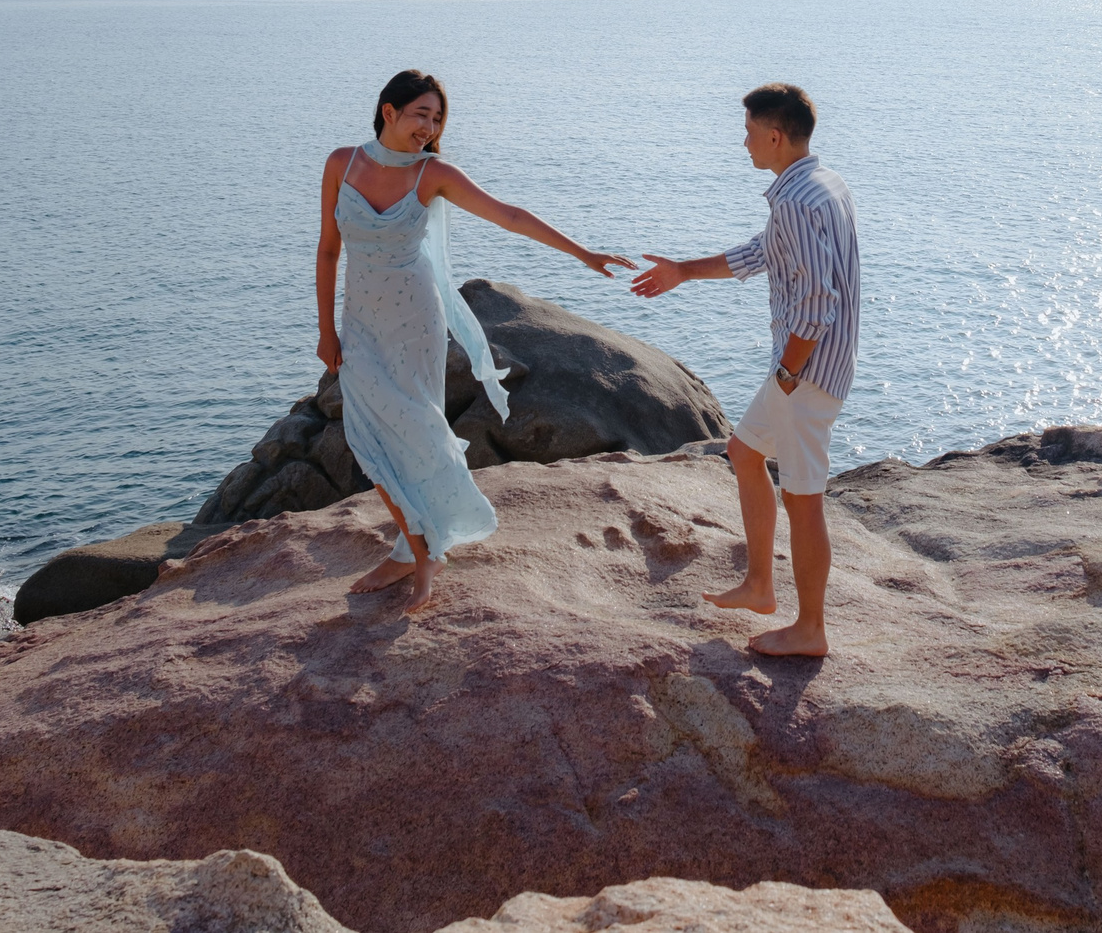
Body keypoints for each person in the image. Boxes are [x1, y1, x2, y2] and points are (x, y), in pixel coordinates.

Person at [318, 69, 631, 612]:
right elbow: (328, 250)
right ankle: (414, 545)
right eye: (421, 114)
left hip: (414, 319)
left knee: (418, 429)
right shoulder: (341, 164)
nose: (430, 127)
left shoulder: (432, 172)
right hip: (361, 322)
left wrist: (584, 253)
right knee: (367, 434)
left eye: (437, 118)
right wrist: (326, 332)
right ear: (388, 111)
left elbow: (507, 215)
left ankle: (421, 555)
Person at [630, 82, 859, 657]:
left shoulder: (797, 201)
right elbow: (764, 254)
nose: (745, 142)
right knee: (744, 452)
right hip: (803, 367)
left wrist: (787, 375)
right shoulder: (820, 183)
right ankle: (760, 585)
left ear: (775, 136)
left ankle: (811, 631)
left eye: (751, 132)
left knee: (803, 499)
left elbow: (818, 301)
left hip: (805, 374)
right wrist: (683, 270)